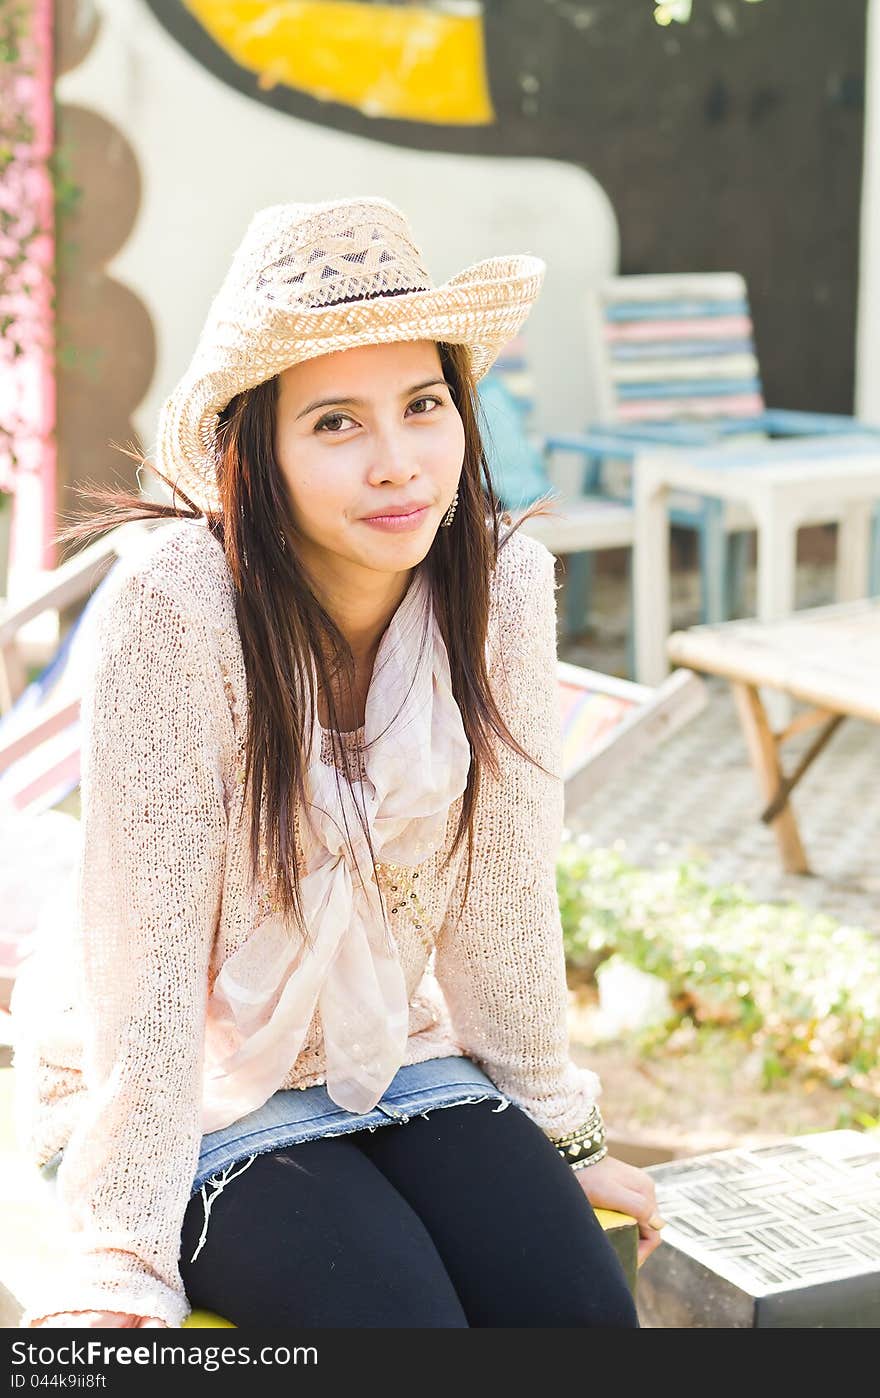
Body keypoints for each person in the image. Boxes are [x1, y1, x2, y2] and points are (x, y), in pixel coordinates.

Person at [11, 196, 663, 1330]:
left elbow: (504, 895)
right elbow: (145, 964)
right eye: (334, 424)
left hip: (391, 1049)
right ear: (253, 448)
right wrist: (120, 1247)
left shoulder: (500, 587)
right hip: (190, 1089)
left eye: (422, 406)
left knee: (583, 1319)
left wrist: (564, 1134)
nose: (398, 463)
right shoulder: (173, 611)